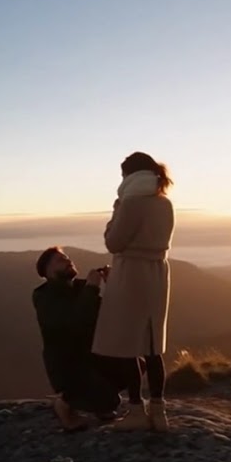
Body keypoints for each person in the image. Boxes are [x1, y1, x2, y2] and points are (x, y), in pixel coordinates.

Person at [91, 152, 176, 432]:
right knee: (152, 344)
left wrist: (115, 212)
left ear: (129, 175)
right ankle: (160, 411)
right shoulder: (165, 203)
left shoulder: (129, 202)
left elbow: (113, 242)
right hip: (157, 273)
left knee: (128, 344)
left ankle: (137, 410)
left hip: (131, 273)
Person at [32, 247, 127, 431]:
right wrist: (92, 288)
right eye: (60, 260)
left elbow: (110, 316)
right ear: (47, 272)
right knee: (111, 400)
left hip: (92, 357)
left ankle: (100, 402)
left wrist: (111, 286)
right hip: (69, 367)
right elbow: (76, 324)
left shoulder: (80, 289)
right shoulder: (44, 298)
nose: (68, 261)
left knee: (135, 363)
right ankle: (65, 402)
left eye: (67, 257)